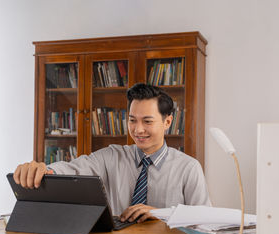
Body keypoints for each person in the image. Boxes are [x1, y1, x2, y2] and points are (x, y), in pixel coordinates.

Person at [13, 83, 211, 223]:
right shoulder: (111, 156)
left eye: (147, 121)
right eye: (132, 120)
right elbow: (74, 168)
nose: (138, 129)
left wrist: (164, 214)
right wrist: (44, 170)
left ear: (167, 122)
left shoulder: (188, 167)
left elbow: (206, 220)